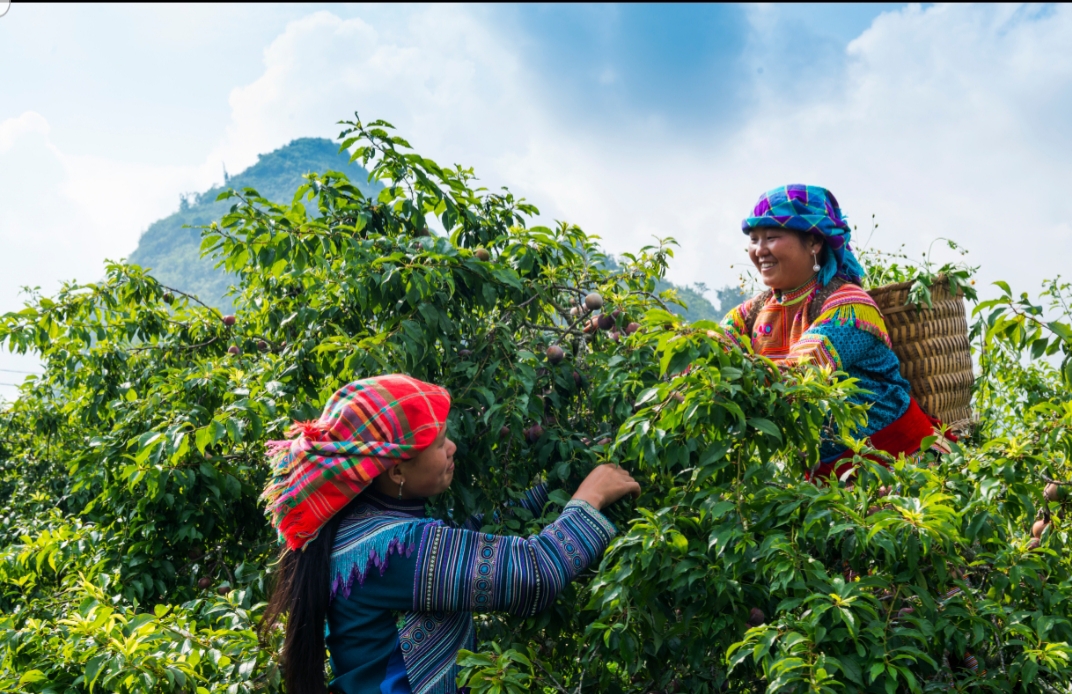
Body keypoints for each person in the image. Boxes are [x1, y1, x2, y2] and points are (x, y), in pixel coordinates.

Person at [259, 375, 640, 694]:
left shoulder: (354, 522)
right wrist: (591, 497)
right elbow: (532, 574)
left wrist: (555, 487)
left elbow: (471, 535)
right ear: (396, 472)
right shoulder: (396, 548)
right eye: (440, 443)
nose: (452, 446)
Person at [720, 184, 950, 479]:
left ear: (814, 242)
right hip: (824, 479)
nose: (759, 250)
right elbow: (711, 350)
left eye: (772, 237)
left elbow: (801, 376)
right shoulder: (751, 313)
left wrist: (725, 376)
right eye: (753, 240)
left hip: (901, 468)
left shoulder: (850, 306)